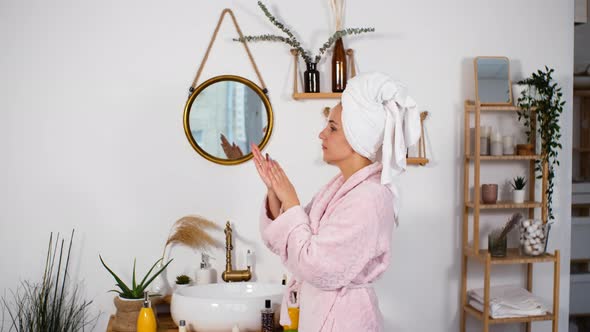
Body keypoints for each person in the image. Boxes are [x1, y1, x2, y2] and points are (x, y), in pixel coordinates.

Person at [251, 72, 421, 331]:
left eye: (332, 127)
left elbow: (316, 264)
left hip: (345, 320)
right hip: (322, 314)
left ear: (357, 137)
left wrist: (292, 200)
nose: (321, 134)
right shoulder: (340, 187)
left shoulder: (370, 198)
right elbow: (294, 239)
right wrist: (275, 191)